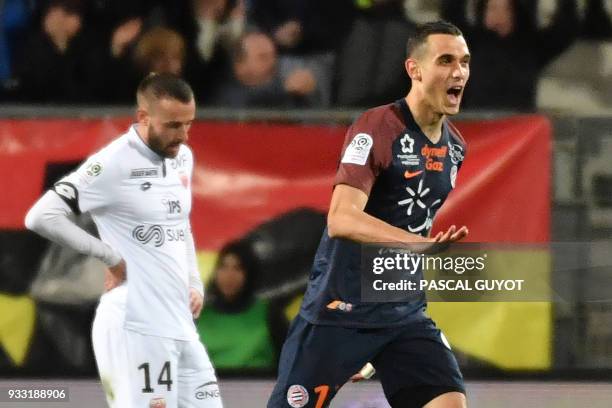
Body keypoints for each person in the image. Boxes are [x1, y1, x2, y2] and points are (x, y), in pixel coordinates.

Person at [267, 21, 470, 408]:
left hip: (403, 314)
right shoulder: (378, 126)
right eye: (445, 60)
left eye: (464, 61)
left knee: (449, 403)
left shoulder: (456, 148)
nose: (458, 71)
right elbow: (341, 218)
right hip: (339, 312)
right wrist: (416, 244)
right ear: (415, 69)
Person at [25, 73, 223, 408]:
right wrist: (110, 256)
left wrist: (194, 282)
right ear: (144, 117)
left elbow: (178, 222)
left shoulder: (182, 158)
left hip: (177, 319)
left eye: (189, 124)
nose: (184, 135)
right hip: (135, 320)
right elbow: (41, 216)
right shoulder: (112, 163)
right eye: (173, 125)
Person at [197, 240, 288, 374]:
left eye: (237, 268)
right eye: (223, 267)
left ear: (249, 274)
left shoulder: (269, 314)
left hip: (260, 392)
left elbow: (290, 363)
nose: (229, 275)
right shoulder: (199, 316)